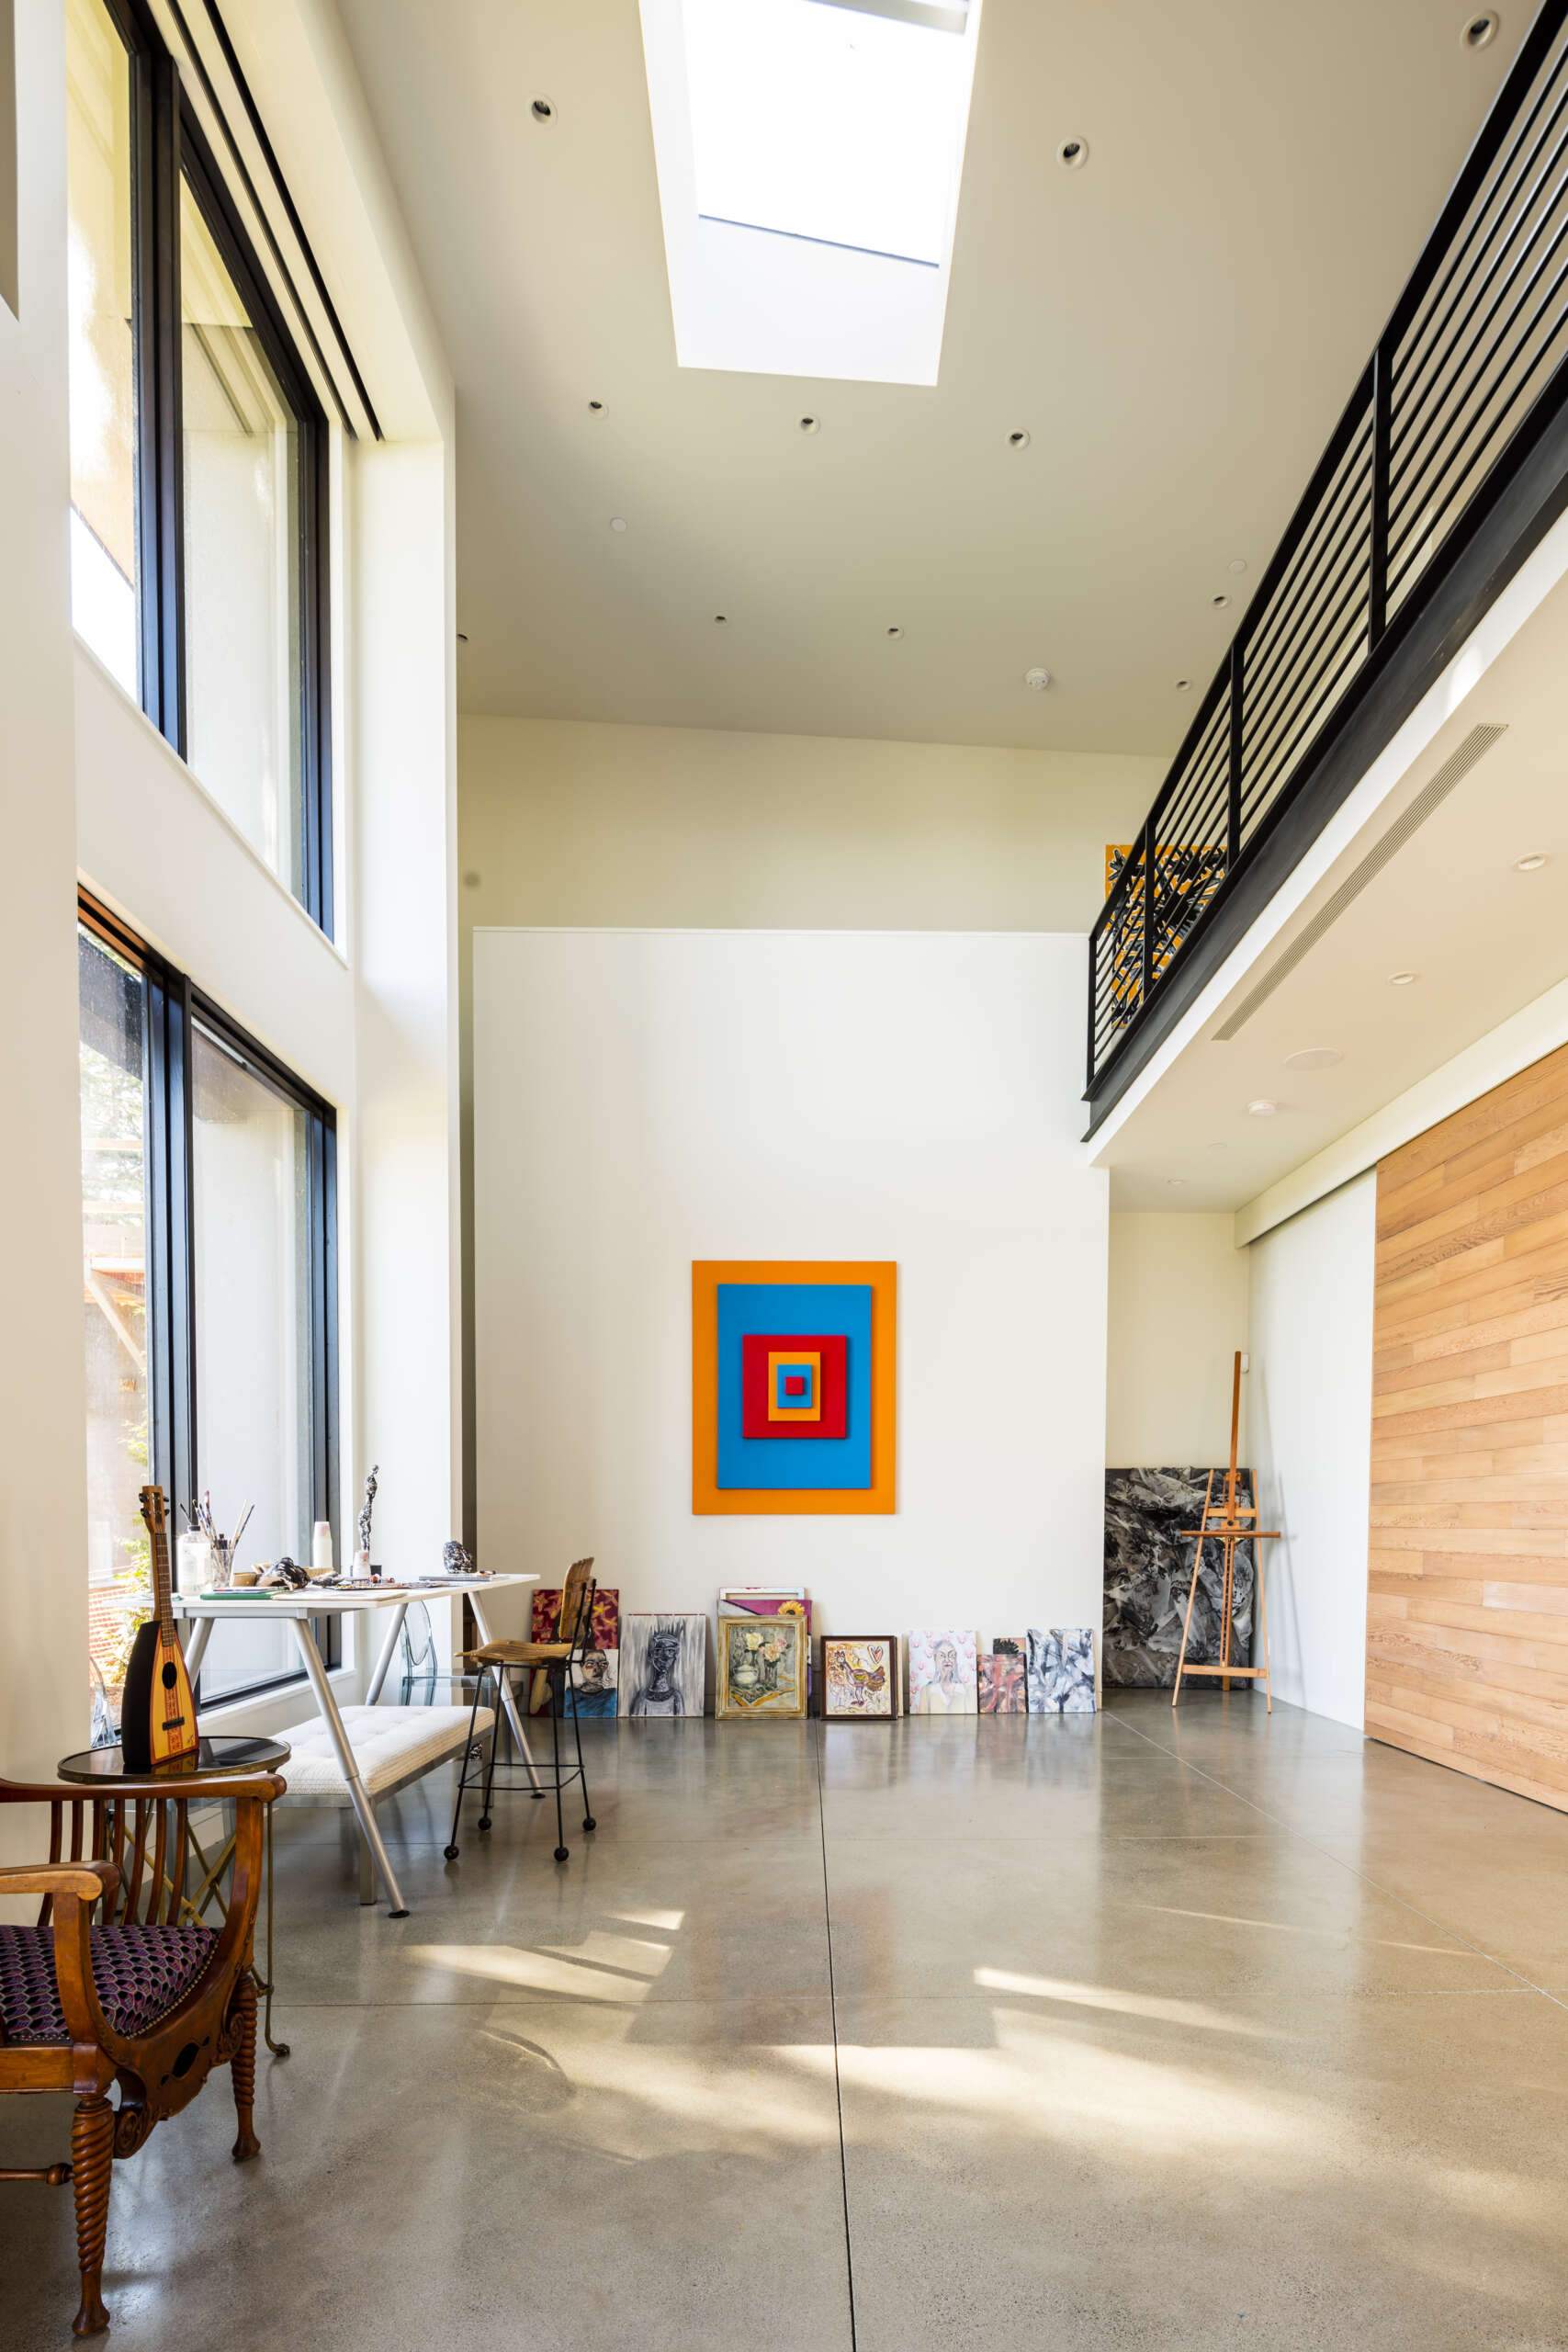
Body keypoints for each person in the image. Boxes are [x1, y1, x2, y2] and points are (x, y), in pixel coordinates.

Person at [627, 1624, 685, 1716]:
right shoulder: (642, 1696)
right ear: (650, 1656)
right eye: (658, 1650)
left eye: (670, 1651)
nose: (664, 1656)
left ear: (675, 1657)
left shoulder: (676, 1697)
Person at [913, 1635, 970, 1713]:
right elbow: (923, 1721)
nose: (947, 1660)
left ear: (955, 1659)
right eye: (942, 1656)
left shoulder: (966, 1690)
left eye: (951, 1655)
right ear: (935, 1658)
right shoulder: (926, 1691)